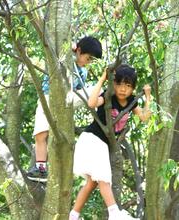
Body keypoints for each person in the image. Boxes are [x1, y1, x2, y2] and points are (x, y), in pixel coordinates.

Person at [69, 64, 152, 220]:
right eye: (119, 84)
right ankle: (114, 214)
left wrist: (147, 97)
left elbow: (144, 117)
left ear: (133, 88)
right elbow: (91, 103)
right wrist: (102, 78)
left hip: (102, 145)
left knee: (92, 183)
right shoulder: (109, 96)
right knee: (103, 177)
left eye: (128, 86)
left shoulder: (131, 101)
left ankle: (73, 215)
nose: (122, 89)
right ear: (113, 84)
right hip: (92, 140)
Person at [27, 36, 102, 182]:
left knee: (97, 90)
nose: (89, 62)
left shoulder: (83, 72)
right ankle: (41, 169)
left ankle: (103, 105)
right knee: (39, 135)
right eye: (88, 57)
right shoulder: (68, 59)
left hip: (68, 99)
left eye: (92, 60)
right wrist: (75, 47)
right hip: (49, 98)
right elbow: (61, 46)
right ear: (79, 51)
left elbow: (81, 92)